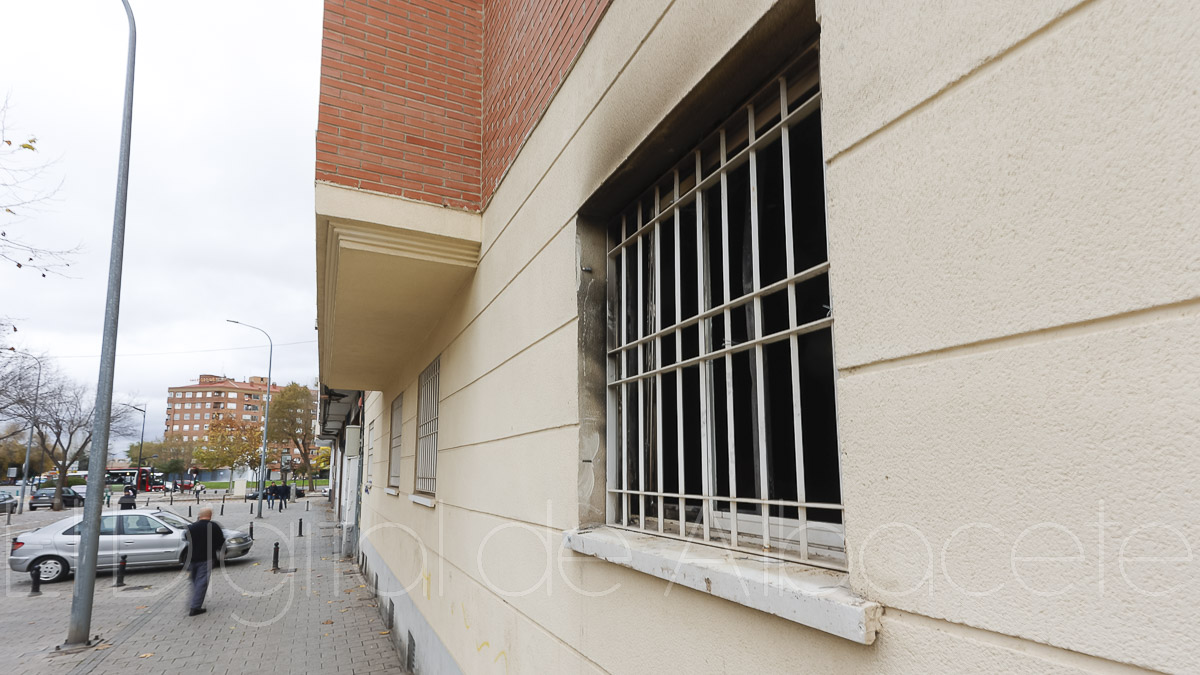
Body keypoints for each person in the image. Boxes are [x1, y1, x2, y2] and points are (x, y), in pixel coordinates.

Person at [184, 507, 225, 617]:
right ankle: (195, 607)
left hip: (191, 558)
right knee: (201, 582)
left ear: (199, 515)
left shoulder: (191, 527)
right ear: (210, 515)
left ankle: (192, 602)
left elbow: (186, 538)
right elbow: (221, 541)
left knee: (193, 581)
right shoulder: (214, 526)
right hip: (206, 558)